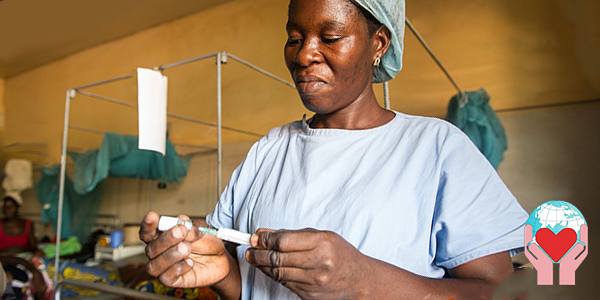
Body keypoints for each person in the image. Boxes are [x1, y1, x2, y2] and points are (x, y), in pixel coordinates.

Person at [140, 0, 528, 299]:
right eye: (295, 37)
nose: (304, 54)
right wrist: (223, 272)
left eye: (329, 38)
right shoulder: (268, 151)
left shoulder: (437, 149)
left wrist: (364, 281)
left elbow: (503, 292)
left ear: (378, 44)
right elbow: (251, 284)